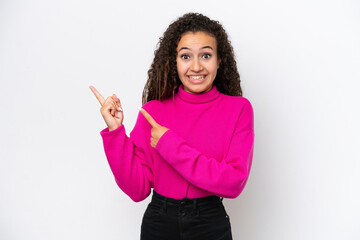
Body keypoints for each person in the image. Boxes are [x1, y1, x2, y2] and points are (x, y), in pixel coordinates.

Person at [90, 12, 254, 240]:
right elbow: (137, 190)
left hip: (210, 222)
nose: (196, 67)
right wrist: (115, 132)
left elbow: (233, 182)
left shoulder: (239, 109)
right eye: (186, 57)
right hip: (159, 222)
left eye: (206, 55)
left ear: (219, 60)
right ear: (174, 61)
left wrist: (169, 145)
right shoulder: (153, 112)